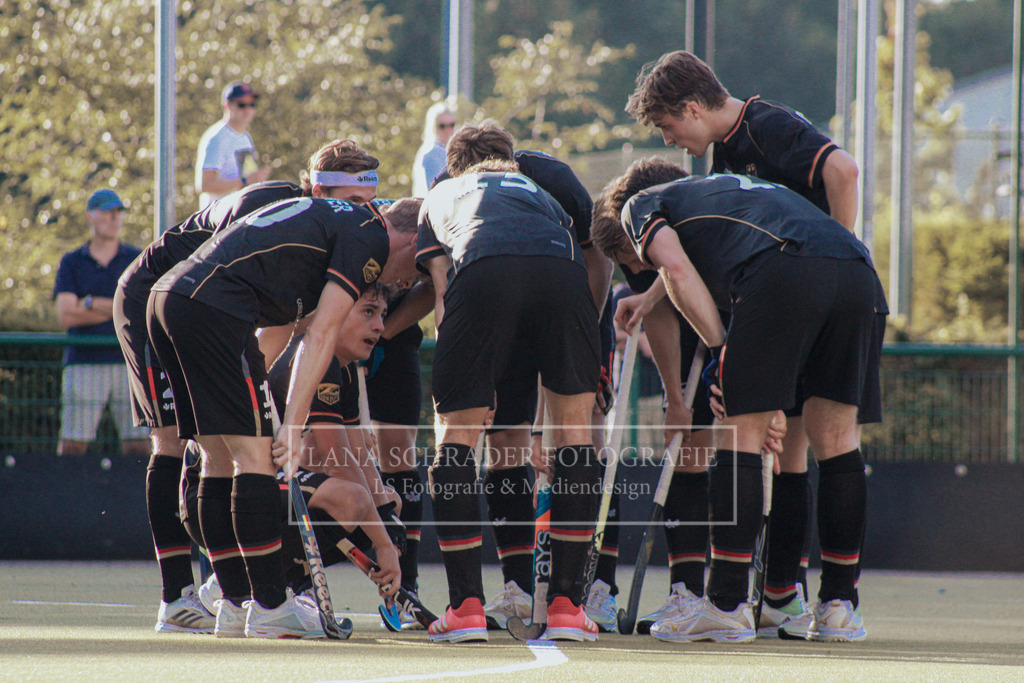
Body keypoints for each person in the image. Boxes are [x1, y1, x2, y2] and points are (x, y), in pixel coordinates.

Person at [592, 158, 885, 644]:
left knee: (740, 434)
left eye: (633, 255)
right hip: (854, 268)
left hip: (784, 273)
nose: (640, 267)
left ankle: (726, 605)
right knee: (836, 440)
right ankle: (838, 608)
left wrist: (728, 357)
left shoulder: (641, 205)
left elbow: (677, 270)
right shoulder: (728, 193)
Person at [625, 49, 864, 633]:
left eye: (668, 126)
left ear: (691, 107)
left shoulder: (767, 123)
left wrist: (825, 246)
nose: (673, 141)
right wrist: (650, 299)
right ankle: (800, 600)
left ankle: (731, 604)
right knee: (802, 448)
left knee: (756, 434)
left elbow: (845, 172)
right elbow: (714, 244)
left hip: (792, 288)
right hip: (830, 286)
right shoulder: (725, 154)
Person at [114, 139, 386, 634]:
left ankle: (232, 593)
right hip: (154, 295)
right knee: (177, 441)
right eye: (356, 201)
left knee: (230, 445)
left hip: (204, 307)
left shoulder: (318, 228)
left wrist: (262, 405)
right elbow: (214, 270)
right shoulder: (272, 204)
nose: (363, 215)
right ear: (323, 189)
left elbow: (275, 331)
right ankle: (179, 594)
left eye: (368, 204)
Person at [433, 124, 617, 632]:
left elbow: (443, 290)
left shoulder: (443, 191)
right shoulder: (547, 183)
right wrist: (584, 345)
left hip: (485, 274)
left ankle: (464, 609)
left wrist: (470, 372)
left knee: (456, 438)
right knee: (576, 438)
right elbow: (593, 253)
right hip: (563, 279)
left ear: (456, 168)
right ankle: (566, 610)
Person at [189, 283, 403, 612]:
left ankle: (282, 579)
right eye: (368, 313)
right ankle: (244, 577)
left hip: (260, 491)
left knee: (386, 500)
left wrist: (387, 518)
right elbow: (340, 464)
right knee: (354, 499)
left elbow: (358, 454)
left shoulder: (341, 368)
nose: (379, 326)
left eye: (383, 315)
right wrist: (384, 544)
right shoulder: (319, 358)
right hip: (222, 497)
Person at [54, 189, 148, 457]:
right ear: (90, 217)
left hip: (130, 364)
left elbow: (140, 310)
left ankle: (137, 501)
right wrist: (119, 307)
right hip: (85, 362)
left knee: (139, 447)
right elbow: (66, 316)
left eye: (118, 212)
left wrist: (90, 302)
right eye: (107, 212)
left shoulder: (137, 259)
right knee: (73, 445)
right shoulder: (72, 262)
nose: (114, 218)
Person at [195, 81, 272, 209]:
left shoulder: (245, 137)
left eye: (252, 104)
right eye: (242, 105)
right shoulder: (216, 138)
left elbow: (247, 177)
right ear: (227, 105)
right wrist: (245, 181)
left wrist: (257, 178)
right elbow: (204, 185)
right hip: (217, 221)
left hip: (238, 217)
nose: (248, 110)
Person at [412, 101, 457, 198]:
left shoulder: (443, 150)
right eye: (442, 126)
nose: (448, 130)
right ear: (432, 126)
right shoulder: (431, 153)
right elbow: (435, 192)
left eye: (452, 125)